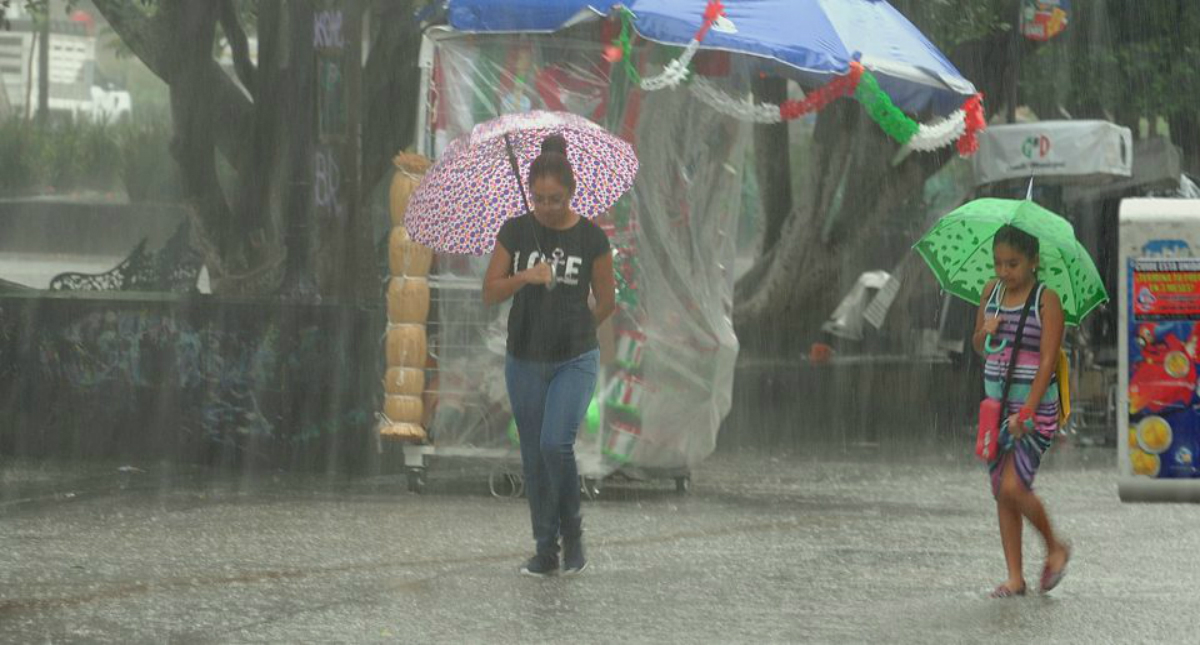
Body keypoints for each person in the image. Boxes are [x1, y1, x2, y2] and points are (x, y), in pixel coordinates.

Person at [483, 134, 616, 577]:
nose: (546, 206)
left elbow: (608, 298)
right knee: (533, 456)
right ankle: (545, 548)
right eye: (538, 198)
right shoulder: (517, 230)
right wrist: (526, 275)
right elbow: (490, 291)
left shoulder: (591, 237)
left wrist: (582, 327)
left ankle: (572, 530)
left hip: (574, 358)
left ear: (571, 192)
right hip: (524, 357)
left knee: (554, 443)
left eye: (555, 199)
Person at [972, 224, 1071, 598]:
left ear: (1033, 261)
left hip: (1033, 411)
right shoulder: (990, 293)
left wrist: (1027, 412)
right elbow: (979, 346)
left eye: (1012, 263)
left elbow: (1047, 360)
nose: (1003, 272)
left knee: (1015, 485)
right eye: (998, 263)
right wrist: (986, 329)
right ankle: (1015, 577)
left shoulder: (1047, 300)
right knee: (1002, 491)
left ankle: (1056, 547)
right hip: (995, 410)